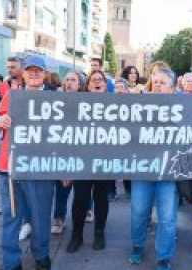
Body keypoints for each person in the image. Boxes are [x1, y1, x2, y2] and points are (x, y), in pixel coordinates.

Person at [0, 55, 56, 270]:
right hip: (10, 168)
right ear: (24, 73)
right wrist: (0, 123)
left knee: (40, 217)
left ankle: (41, 255)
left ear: (45, 74)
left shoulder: (56, 99)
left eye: (38, 70)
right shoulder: (12, 95)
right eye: (30, 70)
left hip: (41, 168)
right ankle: (11, 262)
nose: (34, 73)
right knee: (11, 218)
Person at [128, 68, 177, 270]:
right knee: (139, 212)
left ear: (173, 88)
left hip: (168, 171)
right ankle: (137, 246)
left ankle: (164, 256)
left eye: (162, 82)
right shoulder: (137, 104)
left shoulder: (183, 107)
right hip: (143, 168)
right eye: (154, 81)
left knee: (167, 217)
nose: (156, 84)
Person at [66, 70, 111, 253]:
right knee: (80, 199)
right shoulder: (78, 104)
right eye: (94, 80)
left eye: (101, 80)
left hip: (105, 161)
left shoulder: (115, 104)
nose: (97, 82)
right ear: (88, 85)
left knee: (101, 199)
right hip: (82, 160)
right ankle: (77, 234)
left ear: (105, 85)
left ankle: (99, 233)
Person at [50, 71, 85, 235]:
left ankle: (87, 210)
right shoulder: (56, 102)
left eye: (74, 80)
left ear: (80, 84)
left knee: (83, 189)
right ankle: (58, 217)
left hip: (82, 152)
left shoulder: (87, 102)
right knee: (62, 187)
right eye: (67, 80)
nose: (70, 83)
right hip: (61, 151)